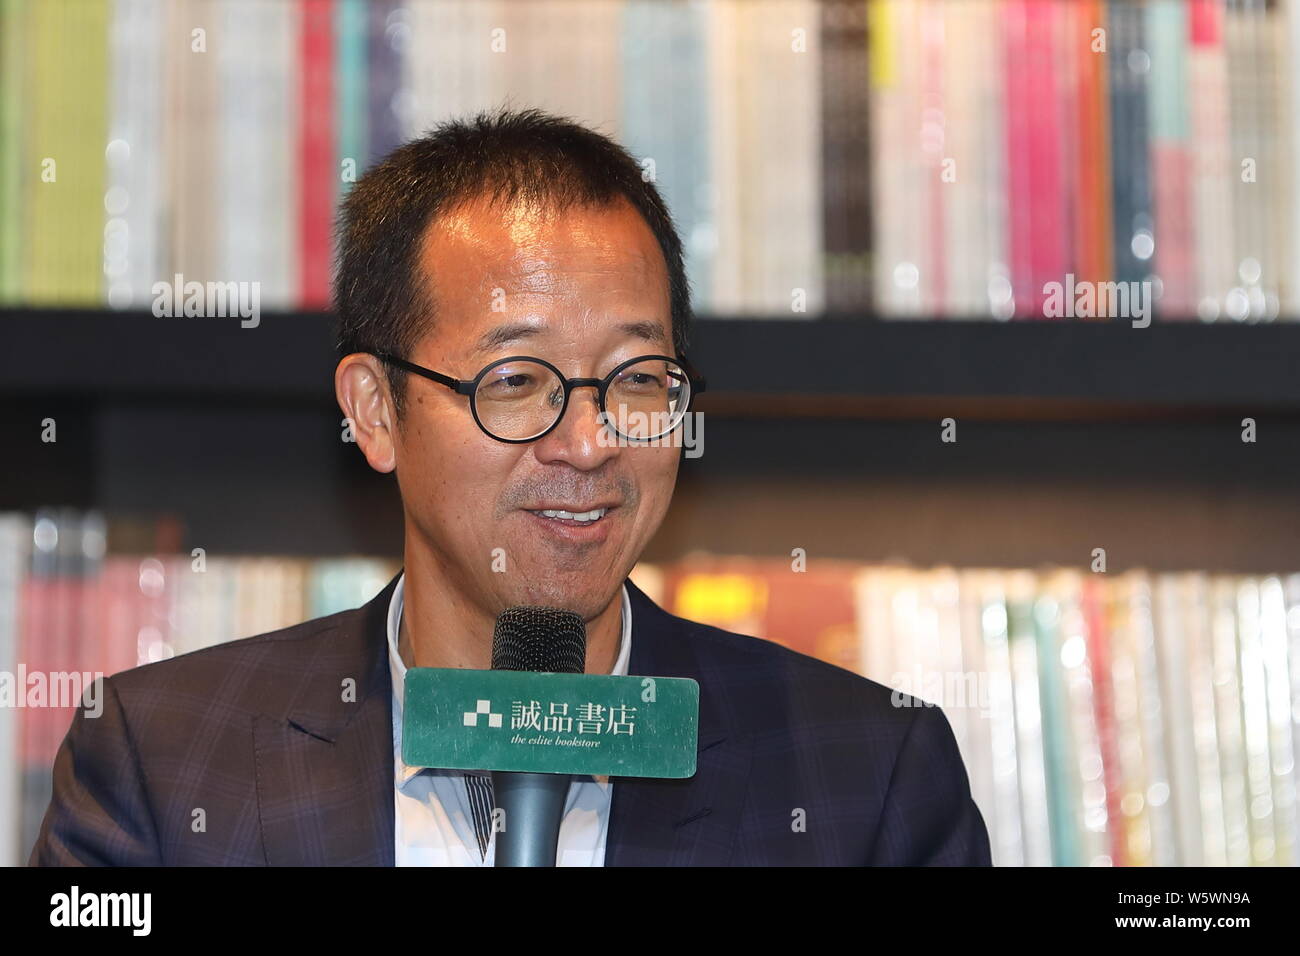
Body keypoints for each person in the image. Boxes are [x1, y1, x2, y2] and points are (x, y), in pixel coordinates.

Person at [30, 107, 991, 866]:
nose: (588, 443)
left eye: (638, 380)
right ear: (373, 411)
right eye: (517, 382)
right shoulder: (160, 764)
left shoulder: (868, 781)